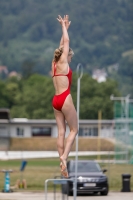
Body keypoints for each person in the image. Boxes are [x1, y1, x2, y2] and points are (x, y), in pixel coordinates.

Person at [51, 15, 78, 177]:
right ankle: (64, 157)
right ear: (65, 56)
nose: (70, 59)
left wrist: (65, 30)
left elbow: (61, 45)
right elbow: (66, 44)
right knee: (74, 129)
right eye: (70, 57)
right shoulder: (63, 63)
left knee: (61, 131)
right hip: (65, 98)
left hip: (56, 101)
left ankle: (61, 161)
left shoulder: (54, 64)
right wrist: (63, 27)